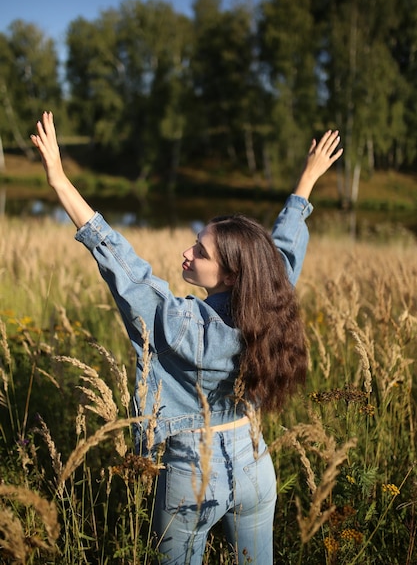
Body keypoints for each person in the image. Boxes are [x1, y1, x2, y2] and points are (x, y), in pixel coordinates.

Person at [31, 112, 342, 565]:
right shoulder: (269, 304)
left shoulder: (181, 323)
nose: (187, 252)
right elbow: (285, 249)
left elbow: (121, 263)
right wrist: (306, 181)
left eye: (200, 251)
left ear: (232, 274)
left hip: (191, 470)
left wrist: (59, 181)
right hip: (254, 462)